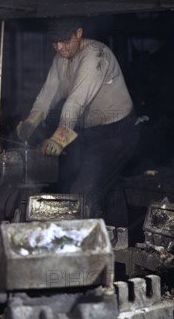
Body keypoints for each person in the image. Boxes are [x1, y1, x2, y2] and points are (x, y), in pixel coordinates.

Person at [16, 17, 139, 219]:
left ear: (79, 34)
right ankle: (119, 238)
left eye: (65, 41)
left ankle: (89, 242)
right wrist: (30, 123)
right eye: (55, 43)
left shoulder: (95, 56)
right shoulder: (60, 60)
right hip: (91, 134)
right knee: (106, 186)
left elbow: (75, 102)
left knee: (84, 191)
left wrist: (58, 139)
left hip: (118, 133)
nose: (60, 47)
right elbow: (47, 97)